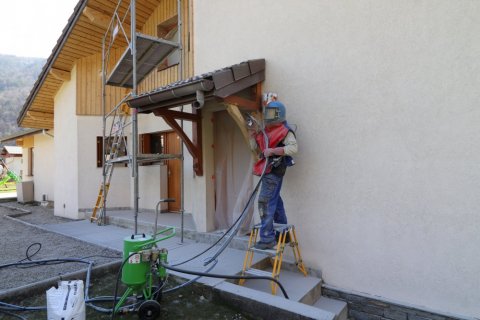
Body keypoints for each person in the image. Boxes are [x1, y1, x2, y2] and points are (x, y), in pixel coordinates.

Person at [248, 93, 298, 250]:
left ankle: (267, 238)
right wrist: (252, 135)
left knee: (265, 201)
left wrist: (273, 151)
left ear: (279, 114)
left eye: (271, 113)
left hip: (274, 170)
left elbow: (293, 148)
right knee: (275, 202)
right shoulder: (266, 131)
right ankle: (283, 234)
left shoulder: (285, 131)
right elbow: (254, 148)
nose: (268, 116)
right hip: (267, 170)